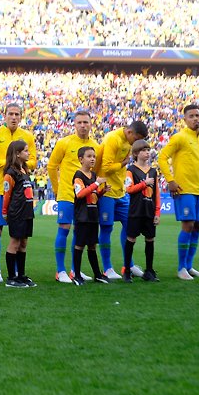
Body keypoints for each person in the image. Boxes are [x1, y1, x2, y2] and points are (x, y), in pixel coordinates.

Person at [0, 103, 37, 283]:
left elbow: (34, 161)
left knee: (20, 237)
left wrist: (15, 165)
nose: (14, 117)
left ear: (21, 117)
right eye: (10, 114)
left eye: (17, 114)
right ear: (4, 116)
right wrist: (8, 164)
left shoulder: (27, 136)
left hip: (20, 194)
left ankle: (16, 273)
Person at [47, 111, 101, 283]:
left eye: (86, 122)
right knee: (64, 229)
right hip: (67, 195)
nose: (83, 125)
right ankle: (60, 270)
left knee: (80, 233)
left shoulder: (95, 146)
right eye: (79, 122)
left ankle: (74, 270)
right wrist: (57, 190)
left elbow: (95, 172)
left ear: (91, 124)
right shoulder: (64, 142)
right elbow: (51, 166)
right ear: (74, 124)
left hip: (85, 199)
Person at [158, 104, 199, 280]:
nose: (195, 119)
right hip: (184, 188)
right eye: (192, 116)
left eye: (198, 115)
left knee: (198, 226)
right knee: (187, 225)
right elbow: (162, 157)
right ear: (185, 119)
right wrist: (170, 180)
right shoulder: (179, 137)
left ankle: (189, 265)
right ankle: (181, 269)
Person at [98, 121, 148, 280]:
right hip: (107, 191)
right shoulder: (113, 138)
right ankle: (107, 268)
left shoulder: (127, 142)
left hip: (121, 192)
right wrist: (123, 163)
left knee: (131, 226)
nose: (136, 143)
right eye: (137, 138)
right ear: (130, 132)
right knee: (106, 228)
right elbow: (105, 167)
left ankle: (129, 265)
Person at [72, 147, 111, 285]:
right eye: (89, 156)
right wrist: (96, 184)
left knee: (92, 245)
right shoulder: (78, 175)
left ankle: (97, 274)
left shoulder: (94, 175)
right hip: (83, 216)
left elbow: (93, 196)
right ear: (81, 159)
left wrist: (102, 192)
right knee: (80, 245)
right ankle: (76, 275)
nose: (93, 159)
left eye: (94, 156)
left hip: (93, 215)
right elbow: (80, 194)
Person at [123, 140, 161, 283]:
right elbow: (129, 189)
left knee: (150, 240)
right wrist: (144, 184)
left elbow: (156, 193)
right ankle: (127, 270)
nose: (147, 152)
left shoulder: (153, 171)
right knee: (131, 239)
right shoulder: (131, 170)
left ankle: (149, 270)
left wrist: (157, 213)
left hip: (149, 211)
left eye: (148, 150)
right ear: (136, 153)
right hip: (136, 210)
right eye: (144, 150)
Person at [1, 140, 37, 288]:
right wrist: (5, 212)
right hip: (17, 212)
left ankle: (21, 275)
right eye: (26, 151)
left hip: (27, 212)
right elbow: (7, 194)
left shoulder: (25, 170)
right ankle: (11, 278)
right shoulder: (10, 173)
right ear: (17, 153)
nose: (29, 153)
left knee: (23, 243)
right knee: (14, 243)